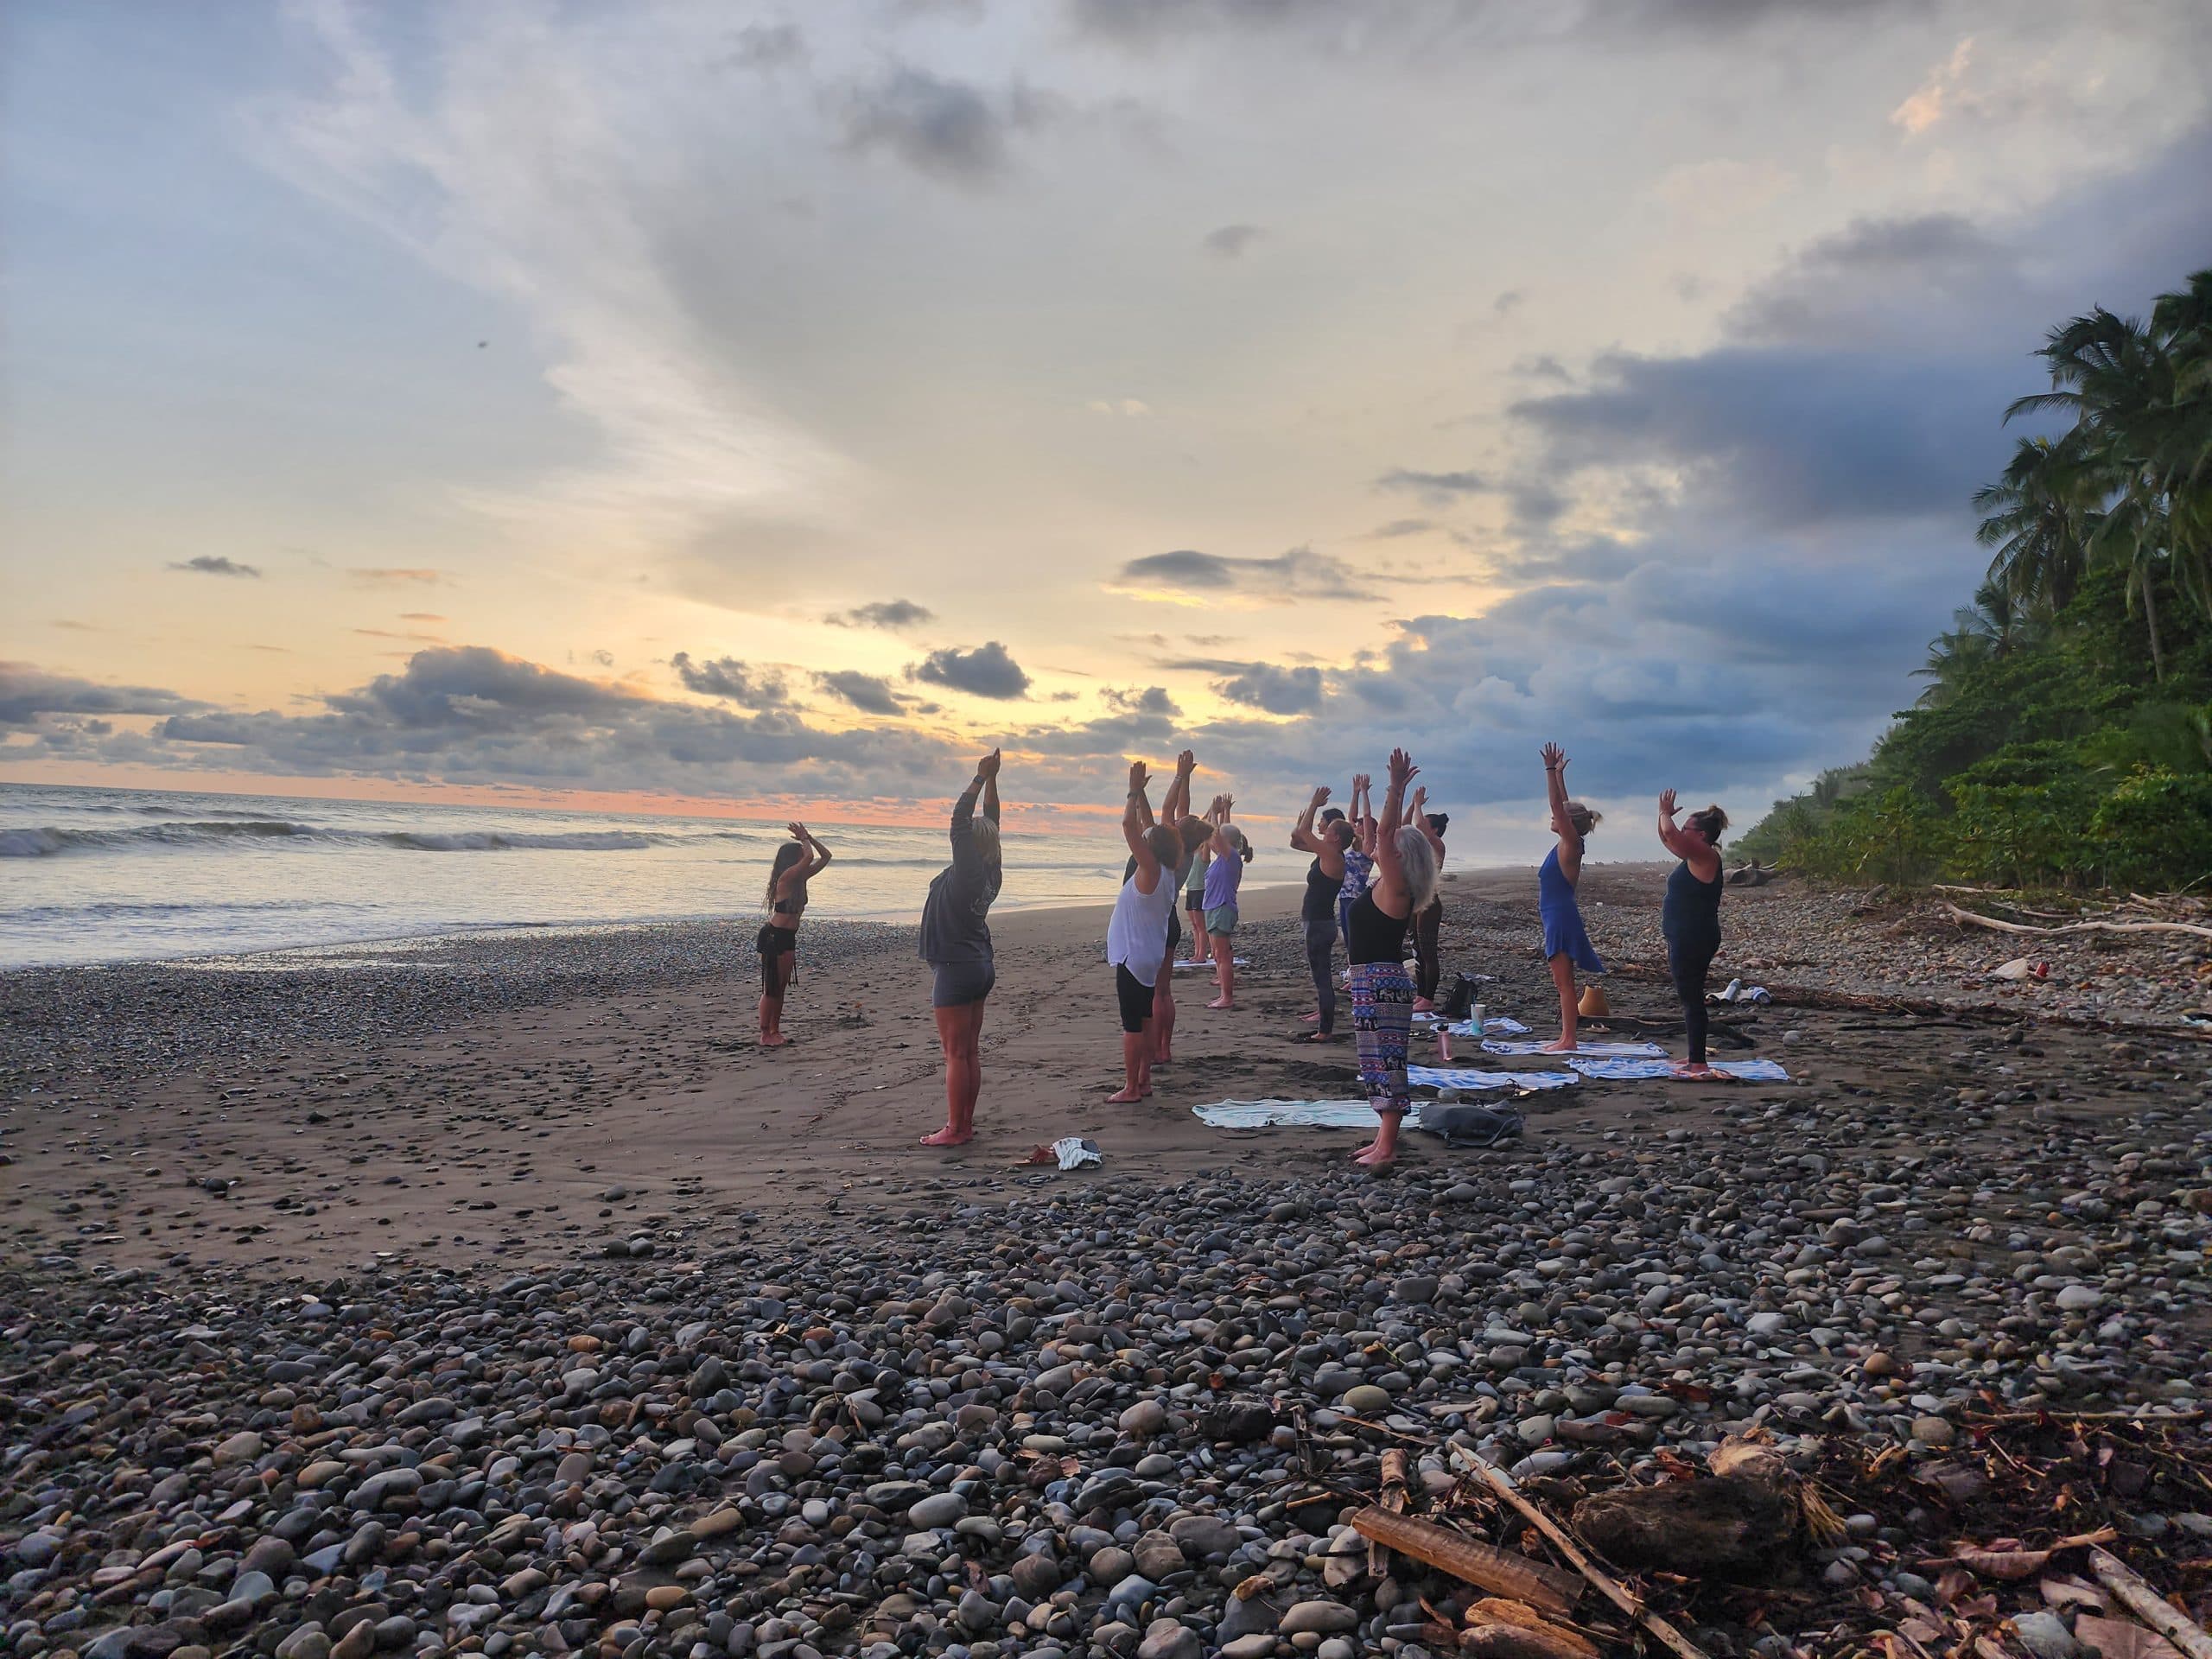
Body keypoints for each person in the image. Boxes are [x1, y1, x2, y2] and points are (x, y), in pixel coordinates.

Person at [1350, 747, 1437, 1167]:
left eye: (1390, 849)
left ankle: (1387, 1146)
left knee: (1386, 1060)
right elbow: (1380, 837)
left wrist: (1396, 787)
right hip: (1372, 979)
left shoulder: (1397, 887)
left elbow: (1384, 835)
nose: (1380, 848)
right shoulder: (1389, 883)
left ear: (1399, 857)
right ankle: (1382, 1138)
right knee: (1375, 1061)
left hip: (1382, 982)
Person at [918, 752, 1004, 1145]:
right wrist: (992, 781)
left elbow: (957, 823)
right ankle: (964, 1124)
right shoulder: (991, 869)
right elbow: (993, 822)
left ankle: (955, 1129)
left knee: (956, 1054)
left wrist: (977, 776)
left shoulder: (970, 873)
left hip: (957, 966)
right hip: (977, 963)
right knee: (968, 1051)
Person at [1107, 760, 1182, 1103]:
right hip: (1148, 955)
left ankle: (1131, 1087)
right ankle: (1144, 1081)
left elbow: (1128, 826)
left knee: (1131, 1024)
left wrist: (1133, 791)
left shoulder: (1150, 868)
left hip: (1134, 956)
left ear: (1150, 848)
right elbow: (1151, 826)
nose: (1144, 835)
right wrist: (1143, 797)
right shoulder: (1166, 869)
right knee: (1146, 1017)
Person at [1536, 742, 1605, 1052]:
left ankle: (1569, 1039)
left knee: (1564, 983)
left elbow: (1557, 806)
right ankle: (1568, 1037)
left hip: (1561, 917)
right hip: (1557, 915)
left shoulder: (1571, 844)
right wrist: (1561, 777)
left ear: (1568, 824)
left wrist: (1550, 771)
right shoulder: (1570, 841)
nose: (1553, 817)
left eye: (1559, 817)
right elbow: (1564, 807)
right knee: (1562, 982)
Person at [1656, 789, 1729, 1079]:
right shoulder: (1695, 854)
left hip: (1694, 937)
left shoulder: (1705, 854)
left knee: (1691, 998)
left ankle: (1698, 1062)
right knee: (1690, 996)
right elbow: (1667, 838)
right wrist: (1664, 818)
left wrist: (1664, 814)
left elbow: (1672, 837)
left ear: (1700, 835)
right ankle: (1695, 1054)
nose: (1681, 831)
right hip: (1687, 935)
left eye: (1687, 827)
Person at [758, 822, 831, 1046]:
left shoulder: (801, 877)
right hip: (774, 936)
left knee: (781, 987)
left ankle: (775, 1030)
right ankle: (764, 1034)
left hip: (788, 937)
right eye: (800, 852)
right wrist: (803, 840)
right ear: (793, 858)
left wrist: (809, 837)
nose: (804, 855)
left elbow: (826, 856)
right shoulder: (787, 877)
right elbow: (808, 858)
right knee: (771, 988)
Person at [1288, 785, 1350, 1042]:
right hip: (1317, 922)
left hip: (1319, 924)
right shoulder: (1326, 853)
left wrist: (1314, 804)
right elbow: (1296, 839)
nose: (1323, 833)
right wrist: (1305, 817)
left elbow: (1304, 832)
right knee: (1321, 976)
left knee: (1322, 977)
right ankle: (1324, 1026)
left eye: (1328, 829)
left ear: (1335, 838)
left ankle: (1325, 1030)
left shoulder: (1333, 855)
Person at [1201, 796, 1252, 1010]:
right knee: (1220, 954)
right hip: (1214, 908)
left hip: (1222, 908)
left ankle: (1227, 996)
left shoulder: (1231, 855)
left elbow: (1213, 833)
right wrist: (1216, 812)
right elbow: (1214, 836)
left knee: (1222, 956)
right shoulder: (1224, 857)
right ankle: (1224, 993)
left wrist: (1214, 811)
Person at [1408, 786, 1448, 1011]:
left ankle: (1428, 998)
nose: (1420, 827)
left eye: (1425, 825)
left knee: (1428, 952)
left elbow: (1418, 828)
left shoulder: (1437, 845)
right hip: (1418, 903)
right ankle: (1420, 994)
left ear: (1433, 830)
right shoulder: (1425, 845)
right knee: (1417, 952)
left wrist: (1417, 805)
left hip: (1430, 904)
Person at [1338, 772, 1375, 976]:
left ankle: (1359, 975)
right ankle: (1353, 974)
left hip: (1355, 898)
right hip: (1343, 896)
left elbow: (1367, 819)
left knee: (1354, 939)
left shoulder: (1368, 847)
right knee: (1348, 940)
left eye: (1362, 824)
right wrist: (1354, 793)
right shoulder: (1353, 844)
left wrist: (1365, 793)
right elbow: (1350, 821)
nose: (1358, 824)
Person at [1181, 817, 1212, 965]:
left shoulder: (1204, 853)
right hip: (1191, 890)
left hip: (1200, 891)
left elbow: (1208, 832)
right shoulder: (1192, 852)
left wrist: (1213, 816)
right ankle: (1197, 953)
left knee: (1201, 926)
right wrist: (1210, 810)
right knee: (1194, 925)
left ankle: (1202, 955)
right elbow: (1198, 826)